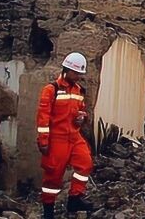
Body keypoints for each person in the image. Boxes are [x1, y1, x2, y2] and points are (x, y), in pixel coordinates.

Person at [36, 52, 94, 219]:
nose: (77, 77)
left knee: (85, 163)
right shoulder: (51, 90)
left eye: (79, 74)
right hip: (57, 139)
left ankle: (75, 199)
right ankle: (48, 211)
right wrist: (44, 141)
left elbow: (80, 110)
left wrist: (81, 118)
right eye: (75, 73)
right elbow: (43, 117)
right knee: (53, 177)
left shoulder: (78, 90)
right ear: (66, 70)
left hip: (74, 136)